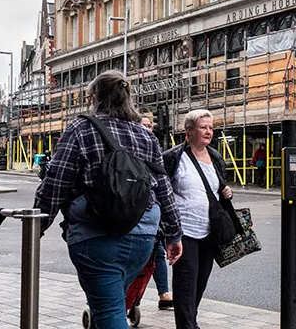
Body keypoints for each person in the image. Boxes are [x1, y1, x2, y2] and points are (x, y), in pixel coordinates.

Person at [37, 71, 183, 329]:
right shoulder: (146, 135)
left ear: (95, 97)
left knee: (108, 312)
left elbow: (57, 182)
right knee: (109, 303)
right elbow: (162, 188)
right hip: (143, 236)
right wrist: (173, 234)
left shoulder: (81, 128)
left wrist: (37, 224)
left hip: (96, 235)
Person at [162, 109, 237, 329]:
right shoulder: (174, 158)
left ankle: (190, 322)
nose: (208, 131)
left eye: (211, 127)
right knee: (185, 284)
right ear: (189, 131)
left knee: (200, 283)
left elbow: (217, 186)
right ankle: (187, 326)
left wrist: (226, 191)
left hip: (210, 230)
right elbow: (161, 193)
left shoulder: (215, 157)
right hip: (183, 231)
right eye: (203, 127)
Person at [140, 112, 173, 311]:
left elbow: (163, 183)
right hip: (133, 209)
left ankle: (164, 293)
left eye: (150, 126)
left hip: (154, 208)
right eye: (142, 125)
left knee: (158, 251)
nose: (147, 129)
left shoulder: (155, 149)